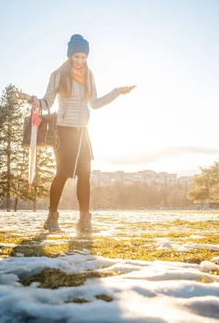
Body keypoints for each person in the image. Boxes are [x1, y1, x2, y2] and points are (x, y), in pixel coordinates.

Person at [16, 34, 135, 233]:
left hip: (83, 133)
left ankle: (84, 220)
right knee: (62, 175)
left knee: (85, 176)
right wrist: (29, 98)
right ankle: (52, 218)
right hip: (63, 131)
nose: (80, 61)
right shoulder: (58, 75)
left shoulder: (90, 76)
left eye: (83, 57)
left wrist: (117, 92)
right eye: (76, 56)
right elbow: (47, 103)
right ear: (70, 55)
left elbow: (95, 104)